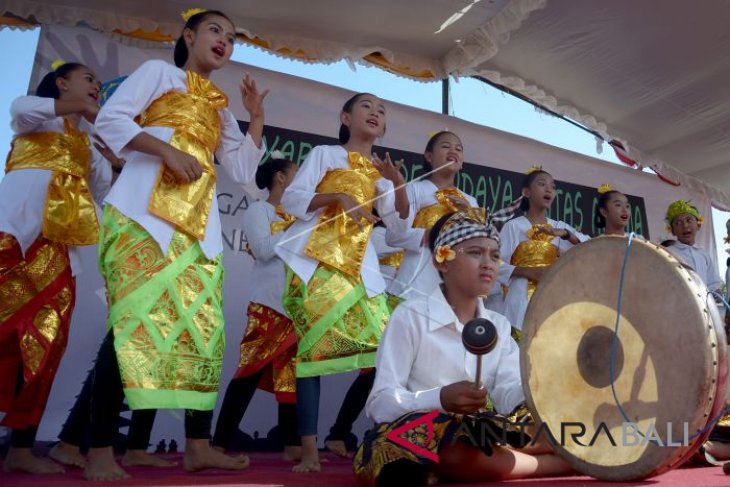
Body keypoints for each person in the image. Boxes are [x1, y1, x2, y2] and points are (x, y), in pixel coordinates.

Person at [81, 8, 268, 480]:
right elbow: (111, 119)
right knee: (131, 328)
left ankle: (198, 446)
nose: (224, 40)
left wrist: (256, 118)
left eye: (231, 36)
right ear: (188, 36)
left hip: (196, 230)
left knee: (201, 333)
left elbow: (244, 173)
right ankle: (99, 449)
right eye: (214, 31)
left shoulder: (221, 105)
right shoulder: (158, 73)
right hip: (144, 215)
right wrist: (167, 150)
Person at [354, 210, 572, 486]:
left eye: (494, 255)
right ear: (442, 261)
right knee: (450, 451)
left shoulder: (499, 325)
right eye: (475, 253)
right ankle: (561, 462)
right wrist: (439, 399)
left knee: (554, 425)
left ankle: (534, 454)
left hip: (479, 433)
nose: (488, 264)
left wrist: (544, 390)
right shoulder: (410, 316)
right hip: (426, 434)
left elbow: (510, 391)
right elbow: (380, 403)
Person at [275, 92, 408, 472]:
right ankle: (309, 451)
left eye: (382, 111)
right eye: (367, 106)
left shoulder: (382, 176)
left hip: (361, 270)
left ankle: (385, 443)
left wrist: (397, 184)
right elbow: (294, 199)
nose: (375, 113)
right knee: (312, 355)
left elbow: (398, 229)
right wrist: (337, 196)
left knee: (386, 356)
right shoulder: (324, 155)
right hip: (319, 263)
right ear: (345, 117)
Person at [0, 60, 118, 474]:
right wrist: (75, 110)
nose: (95, 88)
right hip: (12, 238)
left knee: (44, 347)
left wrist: (115, 158)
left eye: (100, 86)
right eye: (90, 80)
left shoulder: (87, 144)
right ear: (62, 81)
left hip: (58, 253)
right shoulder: (34, 117)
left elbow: (104, 191)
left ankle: (21, 448)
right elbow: (22, 109)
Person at [212, 154, 301, 461]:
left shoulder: (302, 219)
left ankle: (292, 446)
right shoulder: (259, 210)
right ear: (281, 178)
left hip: (296, 308)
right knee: (249, 371)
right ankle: (219, 443)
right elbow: (262, 250)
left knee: (290, 377)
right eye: (296, 175)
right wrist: (294, 230)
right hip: (268, 305)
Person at [386, 131, 479, 301]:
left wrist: (469, 216)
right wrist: (431, 234)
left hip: (454, 285)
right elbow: (393, 236)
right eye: (445, 146)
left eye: (458, 149)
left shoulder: (471, 202)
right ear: (429, 156)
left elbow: (479, 248)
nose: (453, 151)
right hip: (416, 282)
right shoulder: (415, 190)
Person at [498, 167, 589, 332]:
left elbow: (589, 248)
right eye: (542, 184)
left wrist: (567, 235)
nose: (549, 190)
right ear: (526, 192)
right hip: (519, 298)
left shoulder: (559, 227)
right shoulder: (513, 226)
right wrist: (528, 271)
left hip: (553, 296)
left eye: (553, 187)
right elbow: (496, 264)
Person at [663, 199, 722, 292]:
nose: (685, 226)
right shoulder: (667, 253)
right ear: (672, 230)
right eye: (678, 223)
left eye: (689, 220)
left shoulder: (704, 255)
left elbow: (713, 284)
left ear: (698, 225)